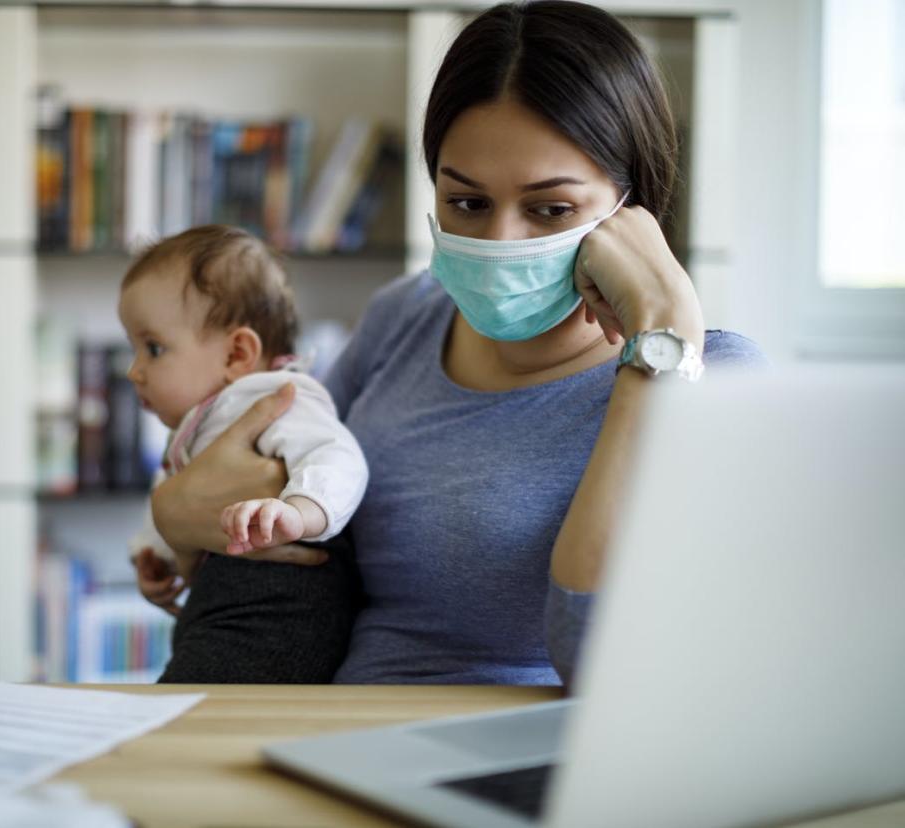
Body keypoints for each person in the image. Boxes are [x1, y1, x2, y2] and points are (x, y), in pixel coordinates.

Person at [142, 1, 768, 687]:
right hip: (326, 732)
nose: (500, 241)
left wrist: (662, 332)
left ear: (633, 207)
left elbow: (602, 665)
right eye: (467, 202)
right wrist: (171, 514)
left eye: (550, 209)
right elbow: (255, 514)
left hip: (523, 766)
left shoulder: (712, 378)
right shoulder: (405, 318)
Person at [118, 224, 369, 683]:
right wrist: (155, 553)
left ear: (238, 354)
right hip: (221, 605)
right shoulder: (202, 420)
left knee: (189, 717)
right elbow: (179, 494)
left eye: (153, 348)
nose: (135, 370)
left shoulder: (276, 397)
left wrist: (302, 512)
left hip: (282, 610)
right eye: (133, 349)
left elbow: (338, 456)